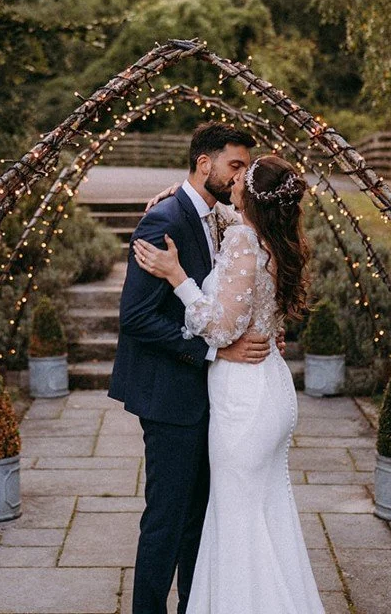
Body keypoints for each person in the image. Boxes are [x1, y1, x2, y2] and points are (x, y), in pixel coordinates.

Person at [133, 152, 324, 614]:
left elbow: (219, 328)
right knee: (267, 513)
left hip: (244, 397)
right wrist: (178, 195)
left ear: (252, 195)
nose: (234, 179)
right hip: (271, 387)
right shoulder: (274, 237)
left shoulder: (243, 239)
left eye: (243, 174)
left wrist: (178, 277)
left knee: (237, 520)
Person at [108, 122, 282, 614]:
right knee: (167, 516)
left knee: (197, 517)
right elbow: (136, 317)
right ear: (204, 163)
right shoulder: (163, 220)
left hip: (208, 397)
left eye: (247, 168)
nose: (241, 177)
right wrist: (213, 353)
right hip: (170, 396)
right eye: (235, 165)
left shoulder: (218, 215)